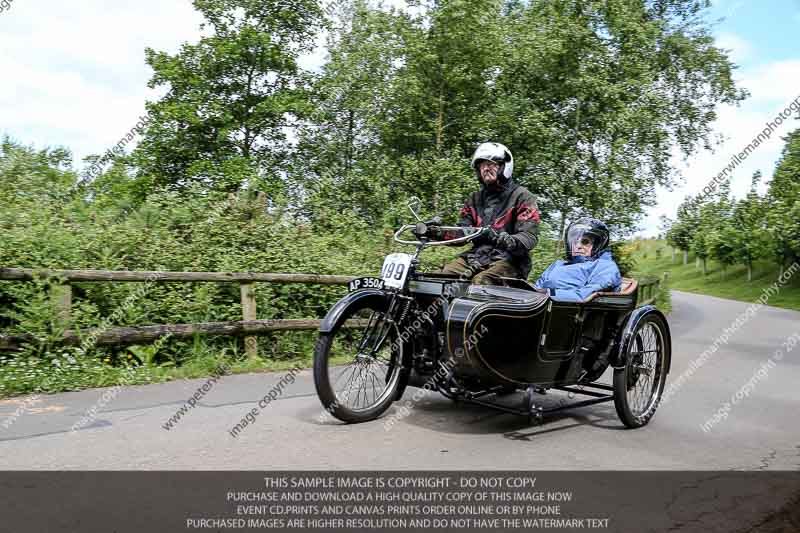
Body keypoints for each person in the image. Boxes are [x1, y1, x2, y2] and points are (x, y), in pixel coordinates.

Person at [435, 142, 540, 285]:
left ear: (504, 166)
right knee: (438, 278)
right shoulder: (474, 199)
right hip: (476, 257)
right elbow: (461, 234)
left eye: (492, 164)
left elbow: (529, 237)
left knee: (482, 282)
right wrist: (436, 232)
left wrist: (507, 240)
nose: (486, 168)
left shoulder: (522, 197)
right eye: (482, 165)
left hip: (510, 261)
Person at [533, 217, 621, 302]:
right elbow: (537, 287)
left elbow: (587, 296)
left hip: (574, 311)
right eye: (575, 242)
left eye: (585, 242)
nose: (578, 246)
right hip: (540, 305)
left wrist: (549, 293)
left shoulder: (605, 266)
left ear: (597, 245)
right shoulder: (557, 264)